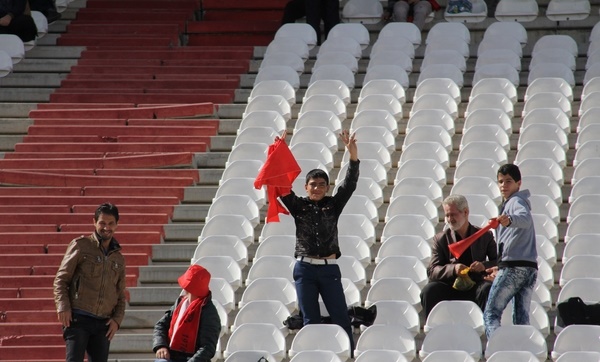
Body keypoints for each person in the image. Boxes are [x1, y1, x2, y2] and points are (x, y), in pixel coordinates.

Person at [278, 129, 359, 353]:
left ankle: (349, 355)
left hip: (329, 269)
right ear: (306, 187)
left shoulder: (333, 204)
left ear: (327, 187)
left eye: (321, 184)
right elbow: (281, 186)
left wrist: (353, 157)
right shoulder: (299, 206)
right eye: (313, 184)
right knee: (309, 320)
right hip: (304, 269)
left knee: (341, 317)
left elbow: (349, 185)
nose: (317, 188)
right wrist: (279, 152)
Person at [53, 203, 127, 362]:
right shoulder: (81, 245)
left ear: (117, 225)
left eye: (111, 223)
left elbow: (120, 294)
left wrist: (117, 320)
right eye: (102, 223)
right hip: (78, 318)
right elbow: (61, 279)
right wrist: (63, 306)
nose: (106, 227)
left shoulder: (119, 259)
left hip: (103, 324)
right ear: (94, 222)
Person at [483, 164, 538, 338]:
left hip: (514, 267)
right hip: (529, 268)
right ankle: (522, 352)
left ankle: (498, 351)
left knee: (491, 314)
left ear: (518, 183)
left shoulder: (516, 201)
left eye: (508, 181)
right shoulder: (512, 203)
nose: (503, 186)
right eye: (500, 182)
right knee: (521, 320)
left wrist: (509, 220)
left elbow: (525, 219)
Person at [420, 194, 498, 317]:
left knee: (488, 289)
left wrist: (483, 266)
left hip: (476, 284)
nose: (450, 219)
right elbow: (432, 270)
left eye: (453, 214)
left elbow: (498, 261)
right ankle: (433, 330)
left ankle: (486, 329)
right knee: (429, 291)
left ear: (465, 212)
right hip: (450, 286)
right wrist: (453, 269)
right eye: (447, 215)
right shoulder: (441, 239)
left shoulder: (484, 235)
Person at [153, 264, 221, 362]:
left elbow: (207, 348)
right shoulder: (180, 303)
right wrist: (161, 346)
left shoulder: (209, 313)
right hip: (171, 357)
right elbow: (160, 325)